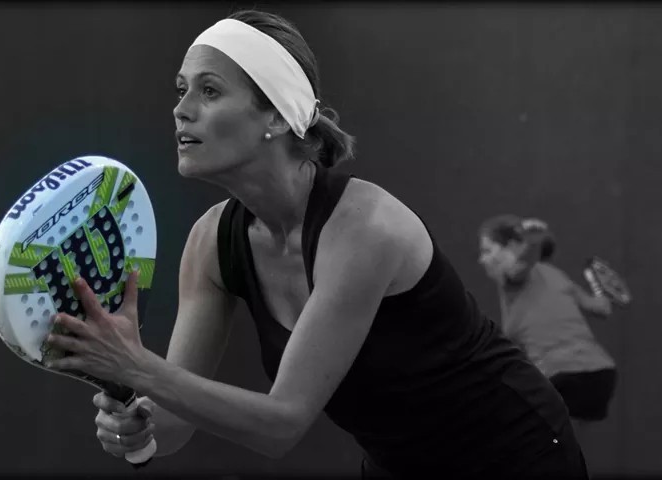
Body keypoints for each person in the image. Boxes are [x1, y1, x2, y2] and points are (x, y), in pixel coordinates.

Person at [44, 10, 588, 478]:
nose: (181, 108)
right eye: (181, 89)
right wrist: (136, 420)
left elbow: (281, 423)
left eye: (209, 90)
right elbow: (174, 424)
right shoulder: (211, 243)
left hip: (515, 452)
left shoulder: (365, 227)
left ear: (276, 116)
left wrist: (139, 367)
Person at [477, 215, 618, 445]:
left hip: (561, 378)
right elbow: (602, 308)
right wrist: (603, 293)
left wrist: (531, 239)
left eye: (487, 250)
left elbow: (520, 265)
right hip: (600, 376)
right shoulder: (557, 275)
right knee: (566, 452)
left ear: (511, 248)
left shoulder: (516, 276)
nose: (481, 259)